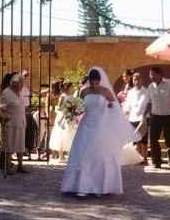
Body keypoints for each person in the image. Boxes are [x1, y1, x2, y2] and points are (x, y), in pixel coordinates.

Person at [61, 67, 138, 197]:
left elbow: (115, 108)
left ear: (100, 81)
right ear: (89, 81)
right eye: (92, 82)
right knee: (82, 153)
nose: (94, 85)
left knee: (97, 155)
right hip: (85, 125)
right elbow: (81, 108)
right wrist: (73, 110)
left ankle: (99, 187)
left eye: (96, 82)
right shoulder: (84, 91)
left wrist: (109, 107)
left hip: (100, 126)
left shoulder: (106, 91)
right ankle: (82, 186)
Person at [145, 66, 170, 168]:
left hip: (169, 116)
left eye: (152, 74)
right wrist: (147, 115)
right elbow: (149, 102)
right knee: (153, 139)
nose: (150, 76)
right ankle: (157, 161)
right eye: (150, 74)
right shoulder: (151, 87)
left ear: (159, 74)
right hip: (155, 116)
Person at [0, 73, 29, 175]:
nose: (22, 86)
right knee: (9, 145)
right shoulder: (7, 93)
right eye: (21, 84)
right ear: (15, 84)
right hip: (10, 123)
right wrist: (4, 116)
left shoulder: (19, 93)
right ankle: (7, 166)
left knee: (20, 145)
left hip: (20, 122)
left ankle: (20, 166)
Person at [125, 72, 149, 164]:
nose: (136, 81)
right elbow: (128, 105)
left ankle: (145, 158)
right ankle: (138, 158)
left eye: (138, 79)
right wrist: (125, 114)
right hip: (132, 117)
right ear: (133, 81)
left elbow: (148, 104)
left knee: (143, 140)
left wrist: (145, 115)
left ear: (142, 80)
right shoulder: (130, 92)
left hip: (142, 117)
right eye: (135, 79)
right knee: (136, 139)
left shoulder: (146, 91)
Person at [49, 81, 77, 161]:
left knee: (69, 135)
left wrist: (72, 112)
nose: (72, 89)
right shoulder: (63, 96)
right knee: (61, 135)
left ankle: (69, 155)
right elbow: (58, 108)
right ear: (67, 88)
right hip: (63, 118)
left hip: (70, 117)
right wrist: (66, 112)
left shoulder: (71, 97)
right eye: (71, 87)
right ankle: (60, 156)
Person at [21, 69, 37, 155]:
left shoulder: (27, 86)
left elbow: (35, 92)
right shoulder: (20, 86)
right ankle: (22, 149)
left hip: (27, 108)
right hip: (22, 109)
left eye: (27, 77)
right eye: (25, 76)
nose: (26, 79)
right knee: (23, 129)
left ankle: (25, 148)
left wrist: (44, 92)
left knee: (28, 129)